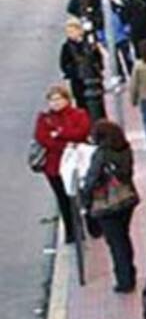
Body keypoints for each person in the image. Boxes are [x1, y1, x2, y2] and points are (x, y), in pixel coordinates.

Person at [81, 120, 140, 293]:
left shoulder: (102, 154)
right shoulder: (125, 149)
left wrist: (86, 200)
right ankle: (129, 272)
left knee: (115, 243)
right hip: (127, 199)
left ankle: (124, 280)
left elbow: (92, 179)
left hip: (108, 204)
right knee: (123, 237)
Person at [33, 83, 91, 242]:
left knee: (85, 196)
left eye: (58, 99)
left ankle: (92, 226)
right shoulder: (44, 118)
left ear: (67, 100)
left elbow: (82, 132)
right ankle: (71, 232)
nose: (55, 103)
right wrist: (65, 143)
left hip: (78, 164)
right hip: (54, 167)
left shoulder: (79, 114)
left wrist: (59, 133)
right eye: (52, 100)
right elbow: (42, 138)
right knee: (63, 199)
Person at [59, 17, 106, 122]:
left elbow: (98, 58)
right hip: (78, 81)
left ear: (79, 30)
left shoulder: (89, 43)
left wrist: (97, 69)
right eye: (68, 32)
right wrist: (73, 72)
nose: (70, 34)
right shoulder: (66, 47)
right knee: (82, 105)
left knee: (98, 106)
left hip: (93, 79)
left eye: (72, 31)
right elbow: (63, 64)